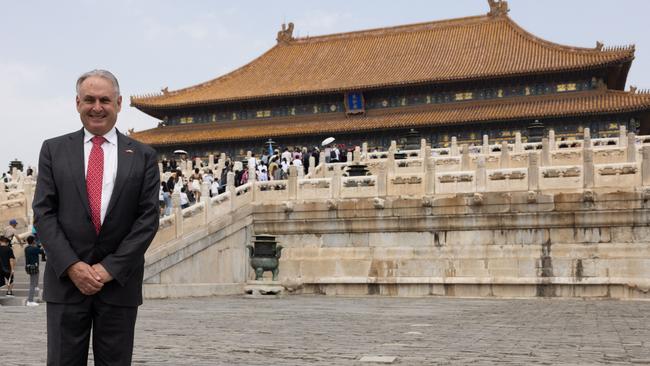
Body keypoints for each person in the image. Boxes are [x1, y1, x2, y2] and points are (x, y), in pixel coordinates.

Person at [32, 69, 160, 365]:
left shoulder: (142, 155)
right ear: (77, 103)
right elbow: (44, 212)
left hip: (118, 283)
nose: (97, 107)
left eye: (105, 99)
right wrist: (73, 266)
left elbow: (147, 219)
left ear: (119, 102)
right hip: (66, 281)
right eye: (89, 99)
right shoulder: (54, 150)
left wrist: (109, 268)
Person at [24, 235, 41, 306]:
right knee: (32, 284)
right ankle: (30, 301)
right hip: (33, 267)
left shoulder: (27, 248)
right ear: (33, 241)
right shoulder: (33, 249)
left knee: (34, 282)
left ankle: (36, 288)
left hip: (29, 267)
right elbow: (41, 251)